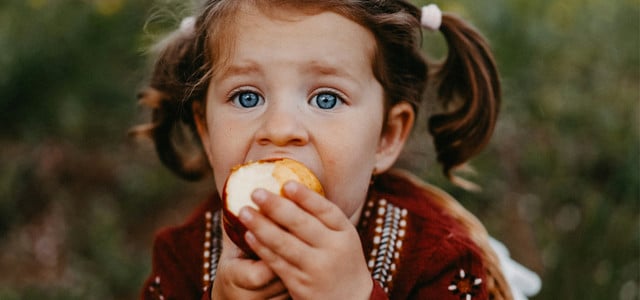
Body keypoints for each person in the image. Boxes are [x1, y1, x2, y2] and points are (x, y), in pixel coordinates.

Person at [133, 1, 541, 299]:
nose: (280, 129)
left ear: (386, 137)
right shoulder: (182, 258)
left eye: (326, 99)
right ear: (206, 129)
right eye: (246, 97)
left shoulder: (438, 259)